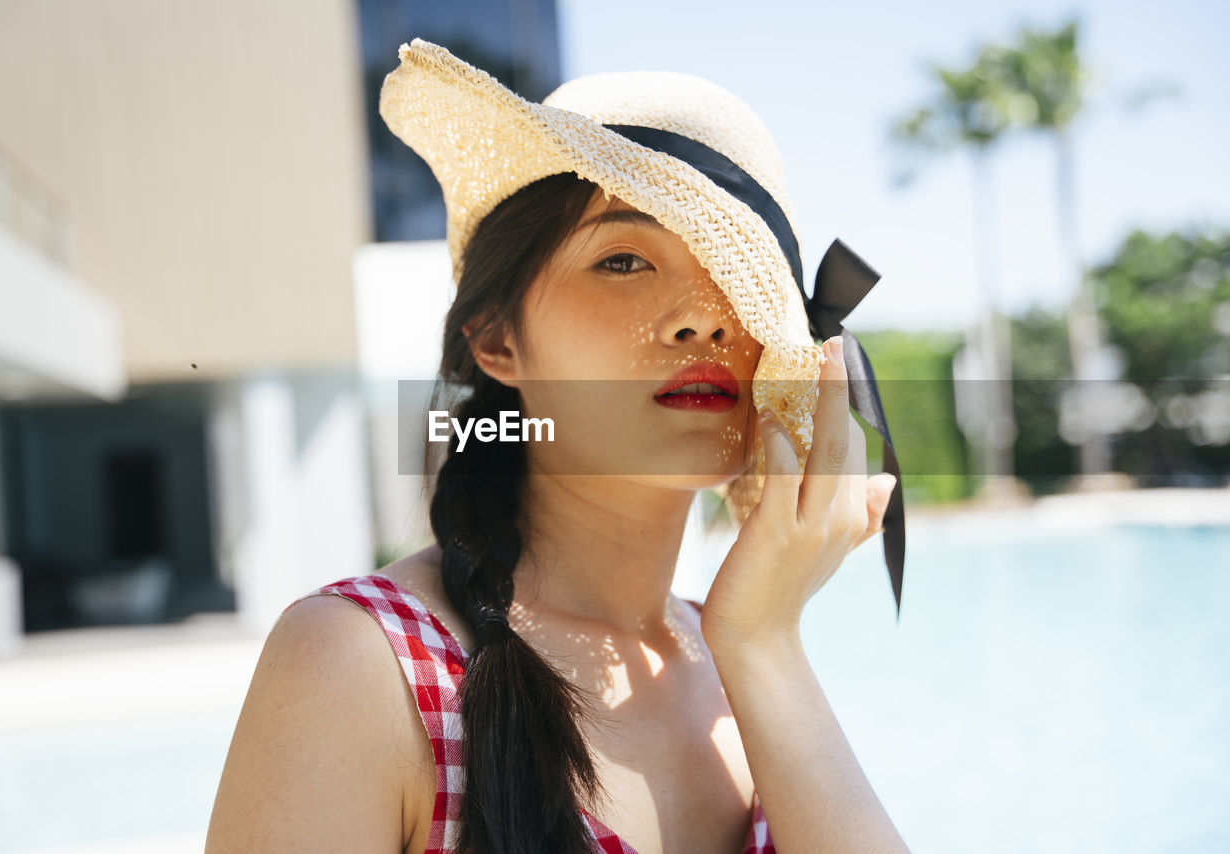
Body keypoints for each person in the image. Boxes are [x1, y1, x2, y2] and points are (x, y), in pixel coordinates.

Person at [206, 39, 908, 854]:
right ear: (497, 339)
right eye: (622, 259)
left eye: (733, 272)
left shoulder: (743, 662)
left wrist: (763, 646)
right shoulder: (363, 669)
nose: (703, 318)